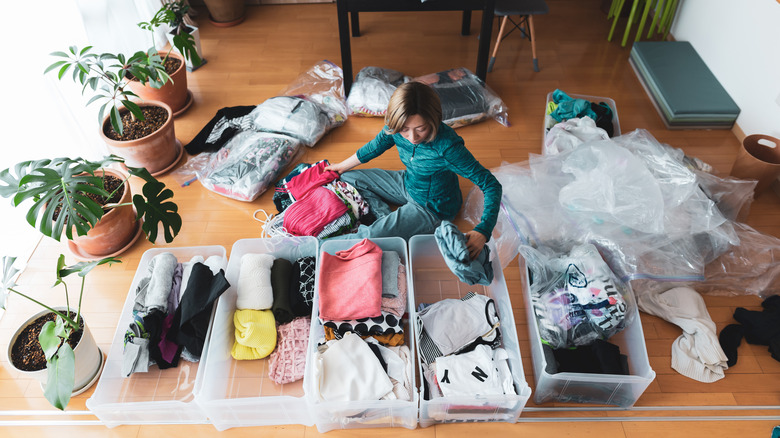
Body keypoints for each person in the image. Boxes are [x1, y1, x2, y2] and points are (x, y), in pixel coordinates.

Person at [325, 81, 502, 259]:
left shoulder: (448, 147)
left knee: (368, 237)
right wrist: (340, 166)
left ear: (434, 120)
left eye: (421, 129)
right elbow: (376, 146)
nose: (412, 137)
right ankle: (385, 220)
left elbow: (491, 184)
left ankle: (309, 248)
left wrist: (483, 230)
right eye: (405, 130)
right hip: (408, 182)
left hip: (432, 206)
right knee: (347, 177)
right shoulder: (396, 128)